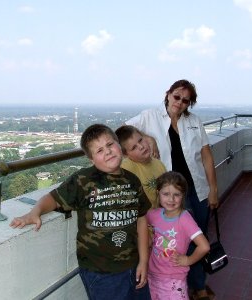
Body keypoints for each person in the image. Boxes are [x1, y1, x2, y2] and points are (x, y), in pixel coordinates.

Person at [10, 124, 151, 300]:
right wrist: (35, 212)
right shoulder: (83, 180)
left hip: (133, 264)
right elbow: (53, 198)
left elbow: (141, 219)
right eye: (99, 151)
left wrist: (144, 261)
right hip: (101, 273)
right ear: (91, 159)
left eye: (109, 145)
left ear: (118, 146)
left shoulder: (132, 180)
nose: (107, 152)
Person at [126, 79, 218, 300]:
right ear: (168, 94)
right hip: (172, 193)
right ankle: (185, 287)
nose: (180, 102)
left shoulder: (194, 121)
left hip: (197, 189)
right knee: (180, 240)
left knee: (199, 236)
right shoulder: (149, 116)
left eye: (186, 100)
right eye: (177, 96)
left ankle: (197, 284)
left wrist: (213, 188)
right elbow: (122, 131)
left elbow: (205, 155)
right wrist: (146, 137)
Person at [147, 171, 210, 300]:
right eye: (166, 194)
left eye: (176, 195)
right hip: (152, 276)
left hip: (174, 280)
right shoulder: (154, 214)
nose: (171, 199)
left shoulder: (184, 219)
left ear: (183, 196)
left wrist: (188, 260)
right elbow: (140, 222)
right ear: (158, 193)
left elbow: (204, 246)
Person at [115, 125, 166, 208]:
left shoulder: (159, 164)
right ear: (125, 154)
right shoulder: (126, 168)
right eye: (134, 147)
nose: (141, 147)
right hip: (142, 218)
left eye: (140, 140)